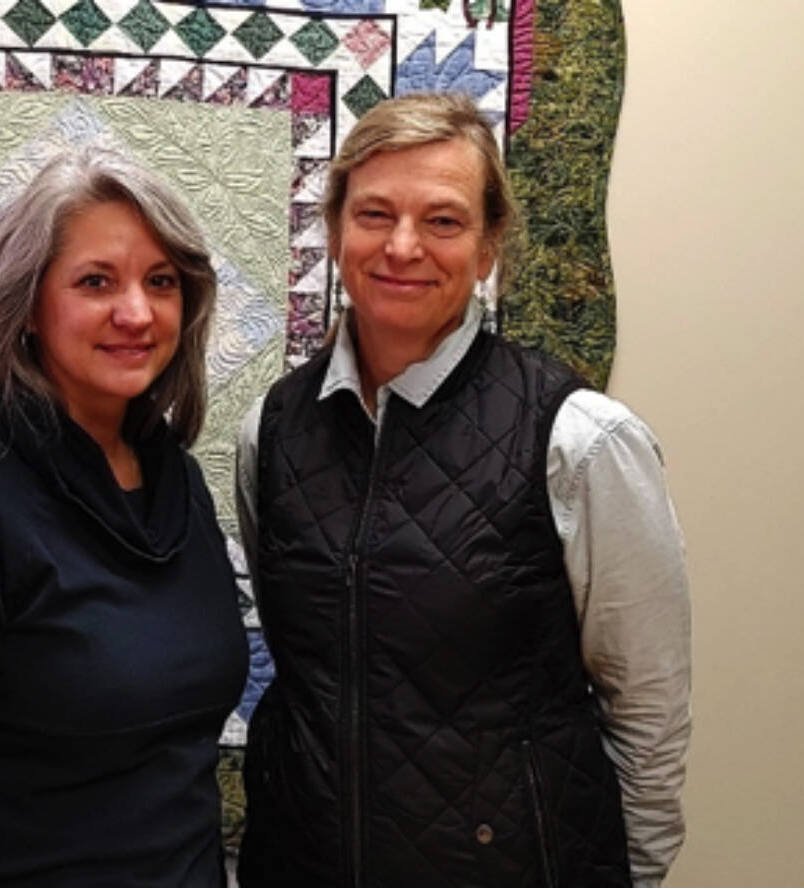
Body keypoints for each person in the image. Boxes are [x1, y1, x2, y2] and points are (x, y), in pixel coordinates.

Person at [235, 92, 690, 886]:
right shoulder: (270, 431)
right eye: (374, 213)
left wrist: (634, 876)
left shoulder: (580, 442)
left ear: (488, 248)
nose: (402, 246)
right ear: (336, 230)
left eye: (442, 221)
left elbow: (647, 707)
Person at [0, 149, 249, 886]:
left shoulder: (177, 482)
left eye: (161, 282)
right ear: (27, 303)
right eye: (96, 281)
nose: (136, 311)